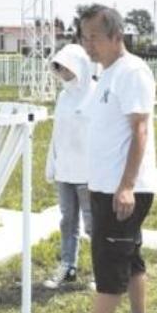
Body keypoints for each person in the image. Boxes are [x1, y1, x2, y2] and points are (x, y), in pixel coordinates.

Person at [54, 4, 157, 313]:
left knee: (109, 262)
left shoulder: (132, 72)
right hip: (106, 187)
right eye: (84, 37)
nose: (88, 45)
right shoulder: (108, 74)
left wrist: (126, 186)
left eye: (94, 37)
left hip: (123, 190)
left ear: (116, 35)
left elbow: (139, 131)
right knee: (130, 257)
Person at [44, 44, 96, 289]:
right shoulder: (63, 97)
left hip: (88, 173)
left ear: (78, 66)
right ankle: (68, 266)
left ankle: (101, 271)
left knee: (93, 224)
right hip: (65, 170)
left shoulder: (96, 94)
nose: (61, 72)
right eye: (57, 67)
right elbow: (57, 133)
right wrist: (52, 162)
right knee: (67, 221)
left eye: (64, 66)